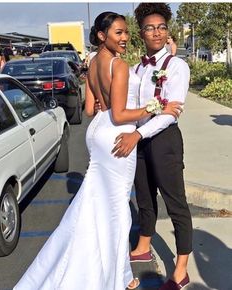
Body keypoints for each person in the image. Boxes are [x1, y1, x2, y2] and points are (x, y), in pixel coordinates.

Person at [13, 11, 181, 290]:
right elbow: (120, 113)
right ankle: (117, 277)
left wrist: (109, 107)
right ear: (103, 36)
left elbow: (91, 109)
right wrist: (157, 107)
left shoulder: (92, 65)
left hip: (97, 133)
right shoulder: (119, 65)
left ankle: (117, 272)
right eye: (118, 33)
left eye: (126, 32)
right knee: (116, 207)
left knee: (96, 202)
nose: (125, 37)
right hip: (116, 134)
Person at [112, 3, 192, 290]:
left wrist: (138, 134)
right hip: (141, 139)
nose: (157, 32)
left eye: (162, 27)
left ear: (167, 30)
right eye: (150, 27)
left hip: (164, 141)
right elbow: (130, 106)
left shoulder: (177, 66)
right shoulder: (137, 68)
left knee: (176, 205)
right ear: (141, 33)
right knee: (144, 197)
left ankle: (181, 271)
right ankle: (143, 245)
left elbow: (171, 112)